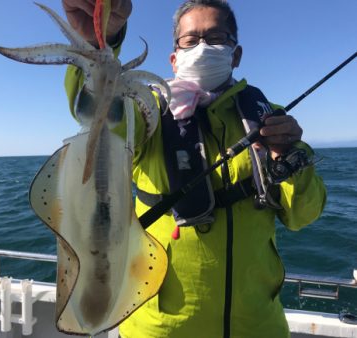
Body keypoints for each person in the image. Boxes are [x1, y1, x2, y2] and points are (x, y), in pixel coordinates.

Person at [62, 0, 326, 337]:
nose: (202, 48)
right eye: (190, 40)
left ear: (236, 54)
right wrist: (97, 43)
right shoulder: (148, 113)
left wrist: (291, 155)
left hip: (258, 325)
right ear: (174, 58)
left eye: (216, 38)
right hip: (159, 328)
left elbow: (304, 215)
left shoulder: (270, 120)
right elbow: (98, 115)